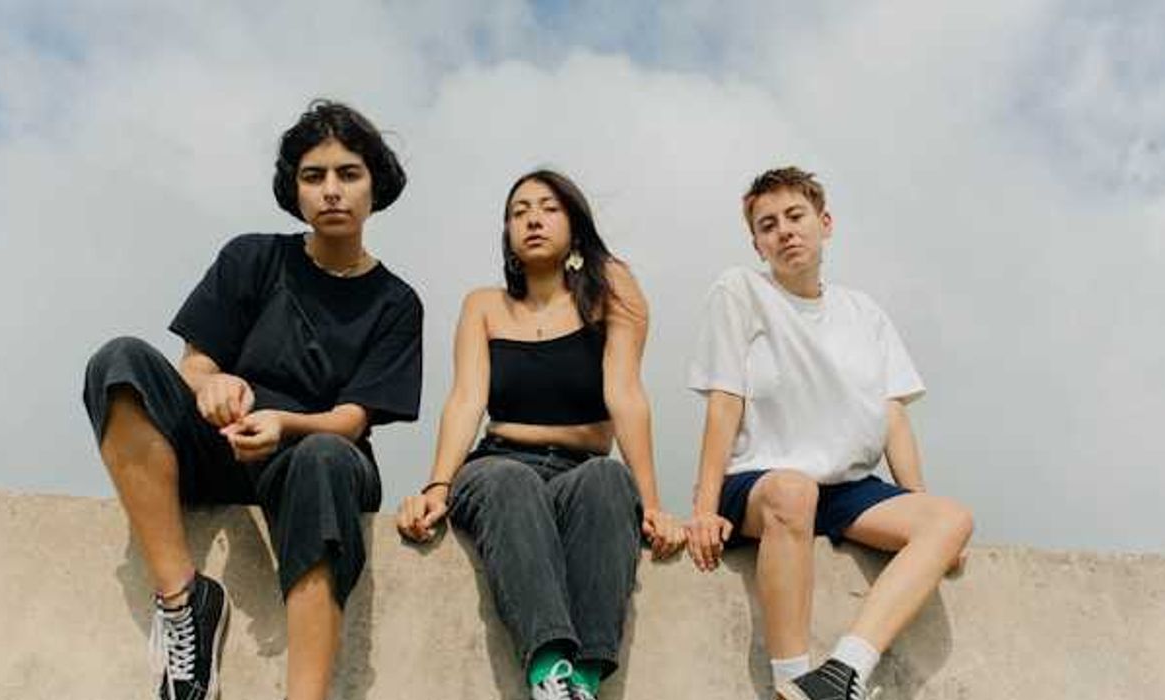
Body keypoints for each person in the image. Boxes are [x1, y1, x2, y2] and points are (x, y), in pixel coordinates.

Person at [82, 100, 422, 700]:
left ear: (375, 186)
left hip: (317, 459)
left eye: (348, 174)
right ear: (295, 189)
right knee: (119, 362)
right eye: (313, 176)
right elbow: (195, 362)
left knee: (324, 457)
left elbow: (352, 420)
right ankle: (184, 604)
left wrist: (284, 423)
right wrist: (211, 385)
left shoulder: (396, 302)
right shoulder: (252, 257)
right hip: (222, 443)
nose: (331, 190)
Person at [684, 167, 973, 700]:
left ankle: (842, 673)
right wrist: (704, 507)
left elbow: (892, 416)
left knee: (951, 519)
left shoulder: (864, 313)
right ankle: (789, 683)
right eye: (768, 225)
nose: (784, 231)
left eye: (795, 216)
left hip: (846, 488)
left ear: (825, 223)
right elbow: (724, 400)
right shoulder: (740, 290)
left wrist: (923, 516)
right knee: (794, 491)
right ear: (757, 244)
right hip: (761, 482)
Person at [396, 169, 683, 700]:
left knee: (608, 480)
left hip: (580, 469)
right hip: (498, 465)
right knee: (511, 480)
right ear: (507, 233)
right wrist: (438, 485)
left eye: (549, 208)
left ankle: (582, 683)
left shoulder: (611, 292)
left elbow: (625, 395)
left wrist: (652, 503)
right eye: (519, 211)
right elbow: (466, 400)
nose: (532, 219)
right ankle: (550, 672)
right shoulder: (483, 305)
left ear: (575, 226)